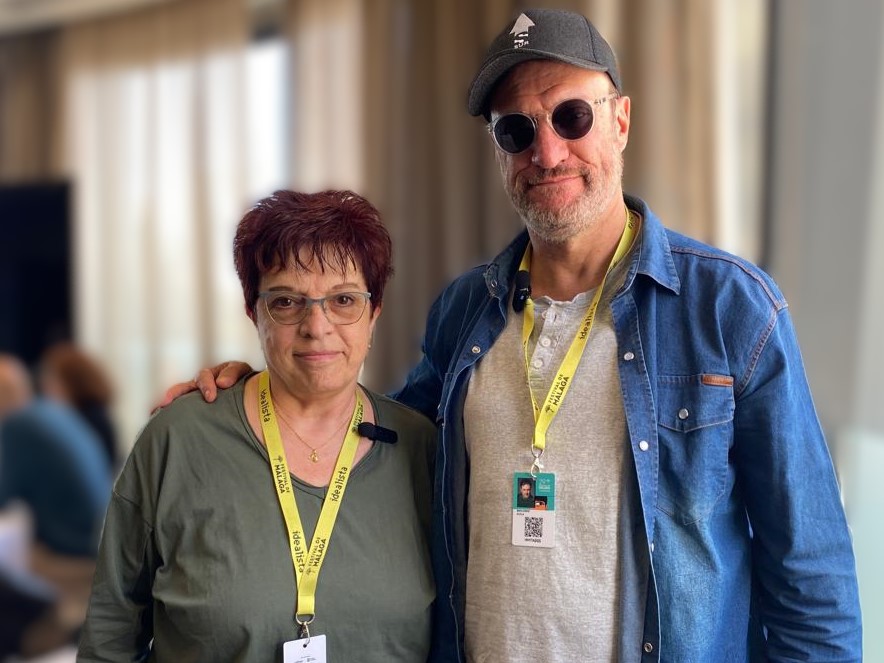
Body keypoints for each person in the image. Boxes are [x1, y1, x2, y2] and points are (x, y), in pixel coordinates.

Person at [162, 8, 862, 661]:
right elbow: (374, 440)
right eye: (517, 131)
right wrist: (266, 392)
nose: (547, 153)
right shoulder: (466, 310)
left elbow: (809, 575)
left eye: (572, 116)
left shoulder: (730, 308)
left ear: (621, 120)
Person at [77, 190, 436, 662]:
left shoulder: (424, 449)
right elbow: (109, 638)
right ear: (253, 311)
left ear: (374, 313)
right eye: (286, 302)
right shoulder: (178, 441)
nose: (317, 326)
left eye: (344, 300)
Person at [0, 353, 111, 659]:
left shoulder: (16, 425)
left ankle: (46, 630)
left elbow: (4, 496)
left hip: (76, 552)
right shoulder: (53, 412)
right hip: (100, 538)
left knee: (16, 559)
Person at [38, 341, 119, 471]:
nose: (46, 389)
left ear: (71, 382)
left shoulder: (85, 420)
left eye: (52, 381)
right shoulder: (94, 414)